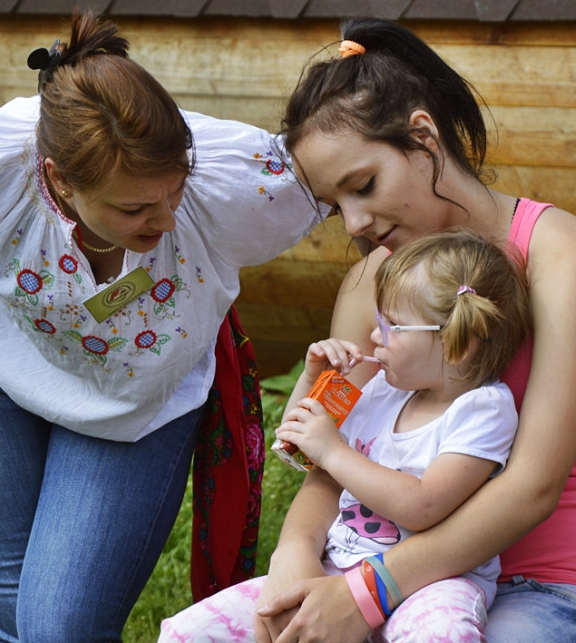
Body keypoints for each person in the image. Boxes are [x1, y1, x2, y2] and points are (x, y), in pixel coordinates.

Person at [164, 17, 576, 643]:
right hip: (376, 573)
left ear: (423, 137)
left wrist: (364, 593)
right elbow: (331, 461)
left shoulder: (558, 254)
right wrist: (298, 560)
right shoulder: (369, 286)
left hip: (545, 583)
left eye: (364, 185)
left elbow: (533, 486)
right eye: (338, 206)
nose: (356, 222)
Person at [0, 10, 322, 642]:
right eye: (135, 207)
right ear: (58, 180)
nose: (166, 218)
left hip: (132, 398)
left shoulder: (238, 178)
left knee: (58, 630)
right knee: (8, 625)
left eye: (174, 191)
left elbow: (352, 176)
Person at [161, 228, 531, 642]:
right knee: (188, 633)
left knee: (442, 634)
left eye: (392, 325)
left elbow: (423, 505)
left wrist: (334, 451)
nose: (375, 336)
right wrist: (312, 381)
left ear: (455, 345)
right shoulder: (381, 390)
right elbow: (296, 450)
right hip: (335, 570)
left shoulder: (482, 408)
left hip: (428, 585)